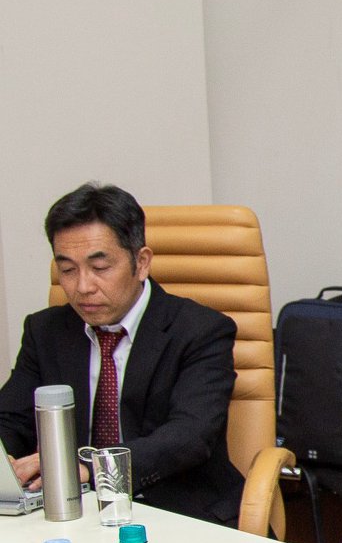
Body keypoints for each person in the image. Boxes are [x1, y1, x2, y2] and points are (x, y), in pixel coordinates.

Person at [0, 183, 242, 525]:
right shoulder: (45, 331)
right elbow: (11, 419)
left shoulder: (201, 330)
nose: (83, 287)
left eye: (100, 268)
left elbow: (189, 437)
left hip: (178, 511)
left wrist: (91, 466)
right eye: (67, 270)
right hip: (75, 513)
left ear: (141, 263)